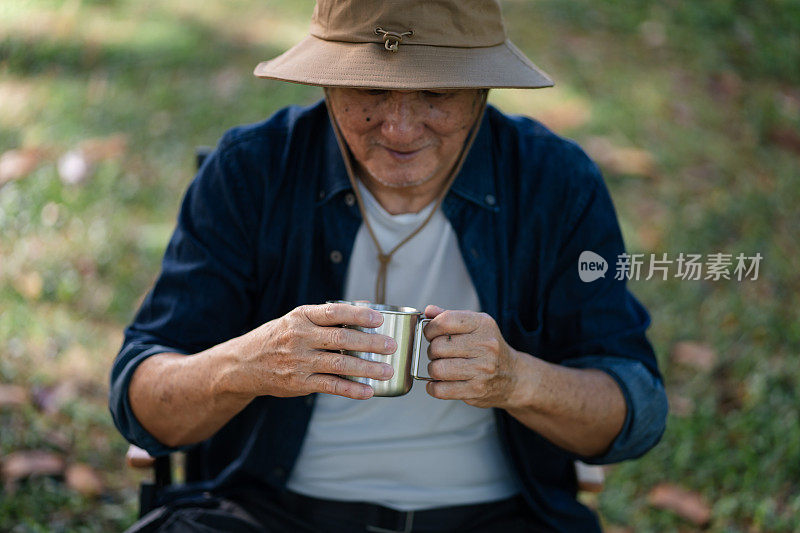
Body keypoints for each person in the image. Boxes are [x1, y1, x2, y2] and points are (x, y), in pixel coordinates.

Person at [110, 0, 668, 531]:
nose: (400, 128)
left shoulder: (556, 184)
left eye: (436, 92)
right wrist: (248, 364)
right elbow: (142, 403)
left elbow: (634, 412)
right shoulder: (250, 173)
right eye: (369, 89)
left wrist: (518, 379)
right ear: (326, 82)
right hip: (269, 512)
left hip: (498, 517)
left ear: (483, 88)